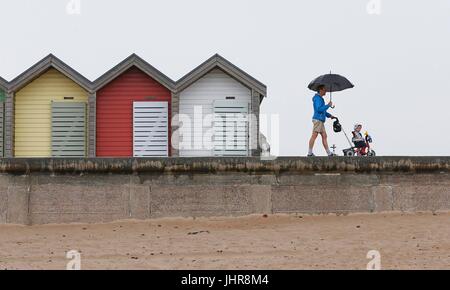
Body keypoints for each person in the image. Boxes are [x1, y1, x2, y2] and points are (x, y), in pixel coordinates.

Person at [307, 85, 337, 157]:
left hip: (320, 120)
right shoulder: (317, 98)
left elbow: (323, 111)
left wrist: (330, 115)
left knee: (324, 136)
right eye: (324, 89)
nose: (325, 91)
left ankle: (329, 153)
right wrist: (328, 105)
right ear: (320, 90)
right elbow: (319, 109)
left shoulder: (320, 98)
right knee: (314, 135)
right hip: (318, 120)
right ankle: (309, 153)